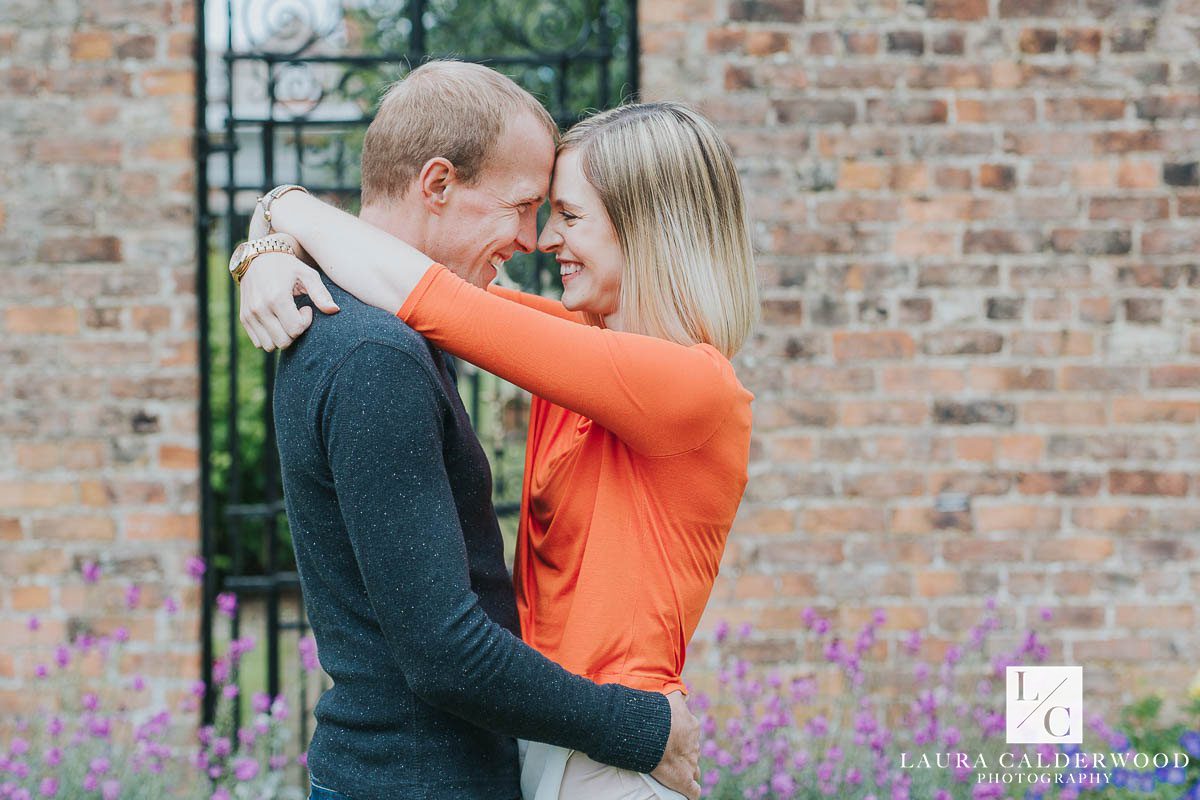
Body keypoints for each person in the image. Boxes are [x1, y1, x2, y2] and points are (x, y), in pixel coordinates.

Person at [235, 61, 702, 800]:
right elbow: (444, 652)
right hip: (413, 780)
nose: (531, 237)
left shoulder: (373, 332)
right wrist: (642, 728)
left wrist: (270, 237)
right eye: (522, 205)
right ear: (438, 184)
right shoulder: (373, 355)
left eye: (556, 214)